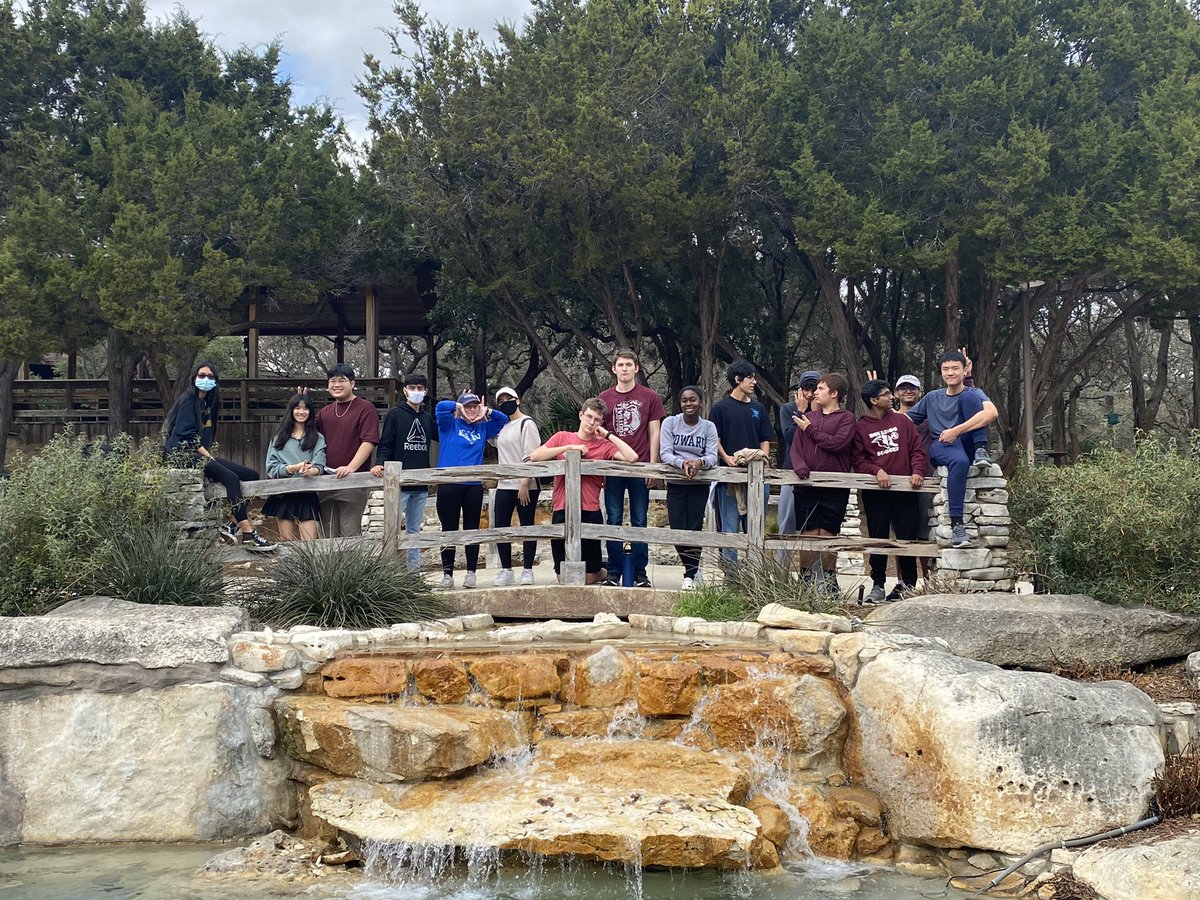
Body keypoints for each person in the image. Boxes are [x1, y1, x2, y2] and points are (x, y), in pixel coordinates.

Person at [164, 361, 275, 550]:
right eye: (201, 375)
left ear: (215, 380)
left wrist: (206, 454)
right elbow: (185, 434)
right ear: (194, 378)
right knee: (230, 478)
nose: (205, 379)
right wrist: (207, 455)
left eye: (210, 376)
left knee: (251, 475)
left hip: (197, 452)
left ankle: (231, 525)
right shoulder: (187, 400)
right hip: (180, 454)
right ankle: (248, 532)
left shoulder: (210, 401)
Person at [529, 397, 637, 584]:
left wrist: (607, 435)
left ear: (601, 422)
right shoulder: (562, 437)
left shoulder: (603, 446)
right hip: (562, 508)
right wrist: (569, 448)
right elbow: (535, 456)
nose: (591, 422)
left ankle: (602, 571)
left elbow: (632, 457)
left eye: (596, 419)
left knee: (586, 577)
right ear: (581, 415)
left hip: (589, 510)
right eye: (589, 417)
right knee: (563, 577)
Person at [906, 350, 999, 548]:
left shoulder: (973, 393)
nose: (950, 373)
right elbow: (905, 419)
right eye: (945, 369)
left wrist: (956, 431)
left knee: (970, 397)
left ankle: (982, 449)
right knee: (960, 461)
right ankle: (957, 526)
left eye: (955, 368)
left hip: (964, 440)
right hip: (942, 444)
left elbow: (991, 413)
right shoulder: (932, 397)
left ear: (965, 370)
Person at [854, 379, 927, 603]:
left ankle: (907, 584)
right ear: (874, 401)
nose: (891, 397)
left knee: (906, 536)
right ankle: (877, 584)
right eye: (886, 394)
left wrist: (917, 471)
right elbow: (858, 460)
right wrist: (876, 470)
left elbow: (917, 450)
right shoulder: (861, 427)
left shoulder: (902, 421)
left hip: (905, 491)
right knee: (878, 537)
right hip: (877, 493)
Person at [599, 348, 666, 587]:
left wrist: (653, 465)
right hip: (613, 467)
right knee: (613, 518)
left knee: (639, 519)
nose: (625, 369)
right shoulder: (604, 398)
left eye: (629, 364)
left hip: (641, 467)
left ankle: (640, 573)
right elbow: (599, 435)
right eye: (621, 365)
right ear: (613, 369)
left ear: (636, 368)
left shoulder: (649, 396)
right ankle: (614, 571)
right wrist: (603, 467)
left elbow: (654, 431)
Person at [789, 372, 856, 593]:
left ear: (834, 393)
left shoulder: (846, 418)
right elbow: (796, 446)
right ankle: (806, 581)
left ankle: (829, 581)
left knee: (828, 533)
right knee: (808, 532)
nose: (815, 392)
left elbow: (838, 443)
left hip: (834, 486)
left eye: (820, 389)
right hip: (806, 486)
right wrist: (799, 467)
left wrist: (810, 429)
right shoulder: (810, 417)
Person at [434, 391, 508, 588]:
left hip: (473, 486)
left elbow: (503, 420)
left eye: (475, 406)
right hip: (449, 485)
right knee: (448, 529)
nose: (472, 410)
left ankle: (471, 573)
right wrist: (459, 407)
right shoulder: (449, 424)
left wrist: (488, 410)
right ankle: (447, 575)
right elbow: (441, 407)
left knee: (471, 529)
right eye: (468, 406)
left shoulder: (483, 428)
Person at [709, 360, 775, 566]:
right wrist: (727, 458)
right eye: (750, 377)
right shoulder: (720, 408)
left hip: (757, 479)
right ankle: (731, 576)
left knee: (756, 526)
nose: (754, 382)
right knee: (729, 527)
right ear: (737, 379)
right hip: (729, 479)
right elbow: (715, 439)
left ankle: (756, 575)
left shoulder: (758, 409)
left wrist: (763, 459)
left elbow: (766, 438)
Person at [372, 373, 433, 573]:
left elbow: (443, 434)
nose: (416, 392)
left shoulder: (426, 417)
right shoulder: (395, 414)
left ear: (425, 391)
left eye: (420, 388)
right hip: (399, 484)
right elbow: (386, 442)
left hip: (421, 484)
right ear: (405, 390)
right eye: (412, 388)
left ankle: (413, 574)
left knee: (414, 531)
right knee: (392, 529)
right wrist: (380, 463)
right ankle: (391, 573)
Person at [659, 386, 718, 590]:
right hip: (676, 483)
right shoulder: (671, 423)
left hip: (699, 484)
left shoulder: (708, 427)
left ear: (700, 402)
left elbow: (712, 455)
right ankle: (693, 570)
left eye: (693, 400)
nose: (688, 404)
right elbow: (665, 453)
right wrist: (682, 463)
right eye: (684, 400)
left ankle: (690, 575)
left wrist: (700, 463)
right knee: (677, 528)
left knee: (694, 528)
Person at [315, 364, 379, 538]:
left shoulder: (365, 408)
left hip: (352, 481)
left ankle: (353, 567)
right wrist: (300, 401)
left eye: (342, 380)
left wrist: (351, 467)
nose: (336, 385)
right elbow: (309, 439)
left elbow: (369, 441)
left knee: (350, 534)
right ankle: (331, 567)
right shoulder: (324, 413)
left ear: (352, 383)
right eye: (332, 381)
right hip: (325, 480)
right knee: (327, 535)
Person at [490, 386, 542, 586]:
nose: (505, 403)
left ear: (517, 400)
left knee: (527, 525)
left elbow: (531, 455)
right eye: (500, 401)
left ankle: (528, 569)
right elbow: (494, 442)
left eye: (508, 399)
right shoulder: (503, 427)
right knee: (501, 526)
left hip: (524, 484)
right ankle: (506, 569)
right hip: (504, 483)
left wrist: (524, 483)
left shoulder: (527, 424)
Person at [264, 394, 327, 542]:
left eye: (305, 408)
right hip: (284, 493)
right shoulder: (278, 438)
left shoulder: (318, 438)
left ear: (310, 412)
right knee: (286, 541)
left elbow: (319, 465)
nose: (301, 412)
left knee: (310, 543)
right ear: (291, 410)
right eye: (297, 408)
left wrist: (311, 471)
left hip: (307, 492)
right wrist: (294, 468)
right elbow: (271, 468)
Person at [777, 370, 820, 548]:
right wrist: (801, 412)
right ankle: (780, 571)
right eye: (806, 389)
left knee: (816, 527)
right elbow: (790, 438)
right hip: (791, 472)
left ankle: (818, 574)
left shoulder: (827, 411)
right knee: (787, 524)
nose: (810, 394)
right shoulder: (788, 409)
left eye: (814, 389)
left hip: (818, 472)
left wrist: (817, 414)